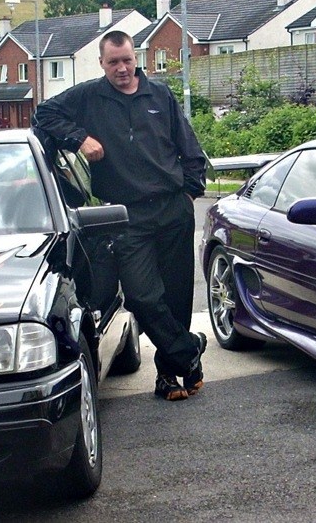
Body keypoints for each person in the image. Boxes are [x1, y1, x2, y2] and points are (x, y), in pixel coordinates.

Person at [33, 30, 207, 401]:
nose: (122, 68)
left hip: (173, 208)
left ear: (135, 58)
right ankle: (190, 349)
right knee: (142, 297)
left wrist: (190, 192)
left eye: (127, 60)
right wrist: (80, 139)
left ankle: (169, 376)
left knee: (176, 297)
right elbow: (44, 114)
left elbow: (188, 146)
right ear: (102, 63)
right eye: (113, 62)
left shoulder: (159, 94)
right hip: (126, 216)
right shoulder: (88, 97)